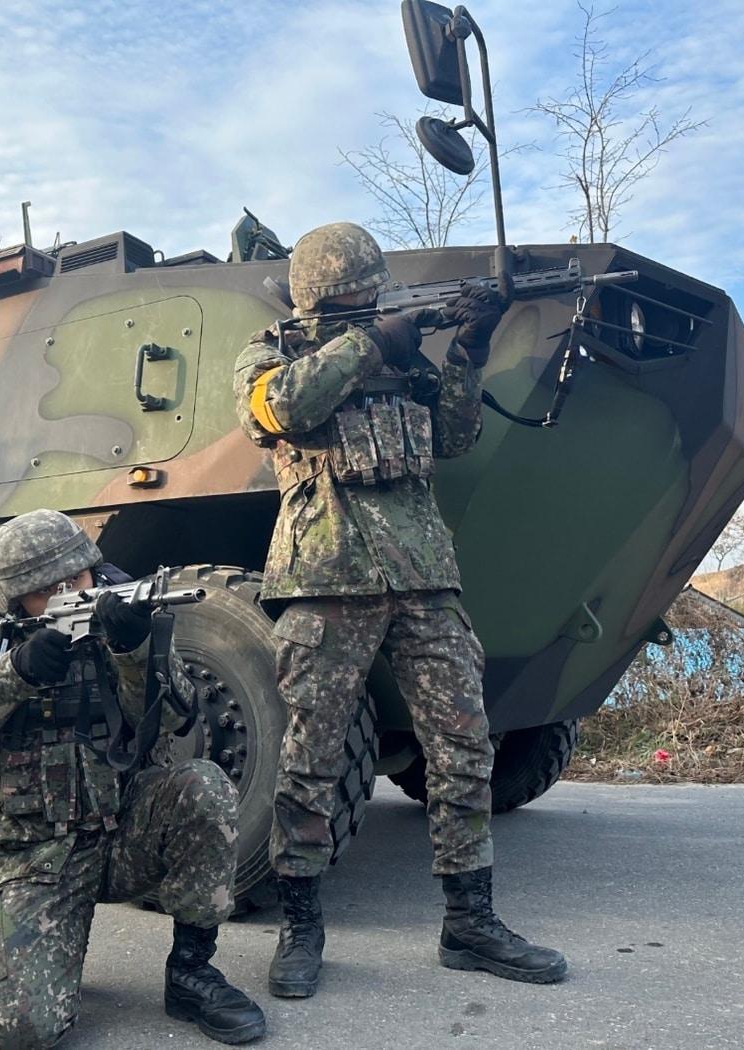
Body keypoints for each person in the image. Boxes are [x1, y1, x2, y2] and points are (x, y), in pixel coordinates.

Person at [233, 222, 568, 998]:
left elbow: (454, 435)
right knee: (313, 756)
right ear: (319, 291)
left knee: (463, 745)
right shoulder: (273, 348)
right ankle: (301, 926)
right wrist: (371, 343)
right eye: (355, 293)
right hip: (327, 574)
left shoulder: (401, 352)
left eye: (373, 293)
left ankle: (469, 921)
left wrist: (469, 351)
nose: (369, 302)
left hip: (423, 576)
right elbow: (275, 412)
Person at [0, 509, 266, 1049]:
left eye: (74, 579)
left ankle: (193, 971)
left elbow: (178, 716)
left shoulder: (124, 613)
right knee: (22, 1032)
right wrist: (14, 676)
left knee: (203, 785)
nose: (68, 592)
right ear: (15, 600)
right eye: (46, 589)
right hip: (36, 852)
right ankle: (44, 951)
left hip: (127, 831)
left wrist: (135, 652)